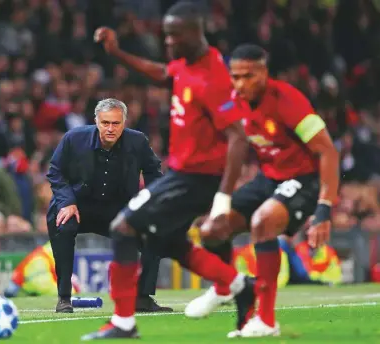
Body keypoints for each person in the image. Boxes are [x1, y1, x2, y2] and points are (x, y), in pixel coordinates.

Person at [83, 2, 253, 340]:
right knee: (169, 242)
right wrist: (118, 52)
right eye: (167, 35)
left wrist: (222, 198)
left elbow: (238, 137)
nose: (169, 42)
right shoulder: (187, 64)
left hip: (197, 178)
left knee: (123, 227)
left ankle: (123, 322)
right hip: (181, 173)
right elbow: (163, 73)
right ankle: (240, 285)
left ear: (195, 33)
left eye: (175, 36)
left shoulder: (212, 77)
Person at [185, 44, 340, 338]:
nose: (241, 84)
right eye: (236, 76)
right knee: (211, 229)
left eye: (248, 76)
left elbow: (328, 152)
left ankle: (266, 320)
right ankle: (224, 287)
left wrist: (323, 209)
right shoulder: (232, 101)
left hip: (303, 179)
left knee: (263, 222)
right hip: (267, 178)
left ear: (264, 73)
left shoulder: (288, 100)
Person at [46, 98, 172, 313]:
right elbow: (55, 171)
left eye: (115, 123)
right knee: (62, 225)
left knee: (154, 233)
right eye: (105, 123)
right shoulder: (74, 138)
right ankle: (64, 297)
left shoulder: (138, 141)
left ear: (124, 122)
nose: (110, 129)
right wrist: (67, 202)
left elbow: (153, 171)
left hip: (118, 208)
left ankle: (142, 298)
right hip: (78, 205)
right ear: (96, 121)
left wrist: (151, 205)